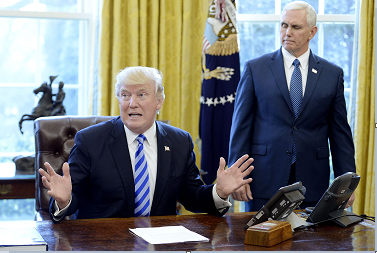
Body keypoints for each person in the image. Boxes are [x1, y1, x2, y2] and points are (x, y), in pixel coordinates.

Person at [39, 66, 254, 222]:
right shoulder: (90, 141)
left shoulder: (179, 141)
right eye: (125, 95)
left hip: (160, 242)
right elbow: (71, 202)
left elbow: (193, 198)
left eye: (141, 94)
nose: (132, 103)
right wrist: (64, 200)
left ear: (158, 101)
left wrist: (220, 192)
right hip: (104, 242)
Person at [228, 1, 356, 211]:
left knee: (311, 242)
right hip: (264, 179)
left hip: (313, 183)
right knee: (259, 241)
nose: (287, 32)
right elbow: (240, 127)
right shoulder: (255, 68)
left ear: (312, 32)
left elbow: (340, 133)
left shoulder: (332, 75)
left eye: (295, 27)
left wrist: (347, 181)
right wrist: (237, 176)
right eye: (284, 25)